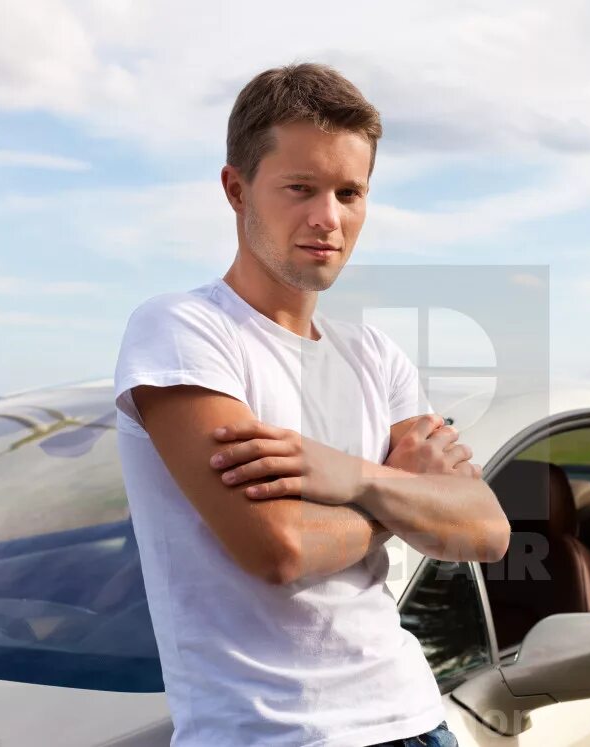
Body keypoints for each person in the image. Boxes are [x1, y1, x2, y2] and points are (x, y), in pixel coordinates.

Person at [113, 62, 510, 747]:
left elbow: (487, 529)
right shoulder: (182, 331)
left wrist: (354, 475)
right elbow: (280, 547)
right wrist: (406, 494)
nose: (328, 217)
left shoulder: (374, 355)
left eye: (349, 191)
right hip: (270, 733)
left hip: (418, 719)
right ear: (236, 190)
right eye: (300, 188)